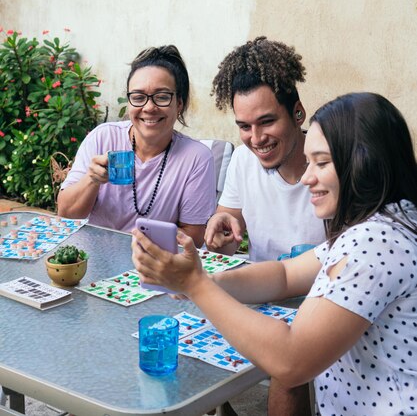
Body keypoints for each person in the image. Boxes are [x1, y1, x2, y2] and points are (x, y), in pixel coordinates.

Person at [132, 92, 417, 416]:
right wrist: (207, 281)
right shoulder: (386, 223)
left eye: (322, 163)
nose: (308, 177)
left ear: (365, 162)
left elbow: (291, 360)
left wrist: (197, 285)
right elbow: (285, 275)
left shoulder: (375, 242)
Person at [57, 45, 216, 247]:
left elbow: (193, 235)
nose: (149, 108)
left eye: (162, 96)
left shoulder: (196, 158)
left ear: (180, 104)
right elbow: (66, 215)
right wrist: (92, 180)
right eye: (139, 97)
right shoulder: (103, 138)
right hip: (93, 259)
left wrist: (135, 248)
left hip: (153, 266)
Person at [205, 36, 325, 262]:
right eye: (244, 126)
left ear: (298, 113)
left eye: (267, 122)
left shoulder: (334, 166)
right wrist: (217, 232)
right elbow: (224, 246)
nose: (257, 139)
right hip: (259, 293)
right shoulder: (242, 160)